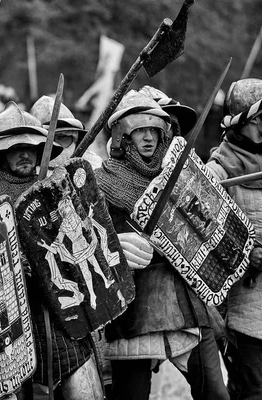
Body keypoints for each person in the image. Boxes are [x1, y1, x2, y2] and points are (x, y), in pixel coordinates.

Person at [95, 90, 229, 400]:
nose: (148, 138)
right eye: (139, 130)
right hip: (134, 303)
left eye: (154, 130)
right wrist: (116, 246)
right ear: (122, 136)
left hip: (183, 296)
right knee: (132, 395)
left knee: (215, 394)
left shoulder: (181, 174)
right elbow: (91, 244)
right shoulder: (102, 182)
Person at [0, 101, 102, 399]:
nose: (24, 153)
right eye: (15, 147)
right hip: (8, 320)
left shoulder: (52, 188)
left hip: (58, 310)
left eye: (30, 146)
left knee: (86, 389)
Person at [206, 78, 262, 400]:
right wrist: (244, 253)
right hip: (244, 315)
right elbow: (199, 242)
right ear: (252, 120)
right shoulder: (218, 173)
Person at [29, 95, 89, 172]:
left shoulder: (93, 167)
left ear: (75, 140)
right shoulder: (23, 173)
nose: (54, 145)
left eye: (61, 137)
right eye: (47, 140)